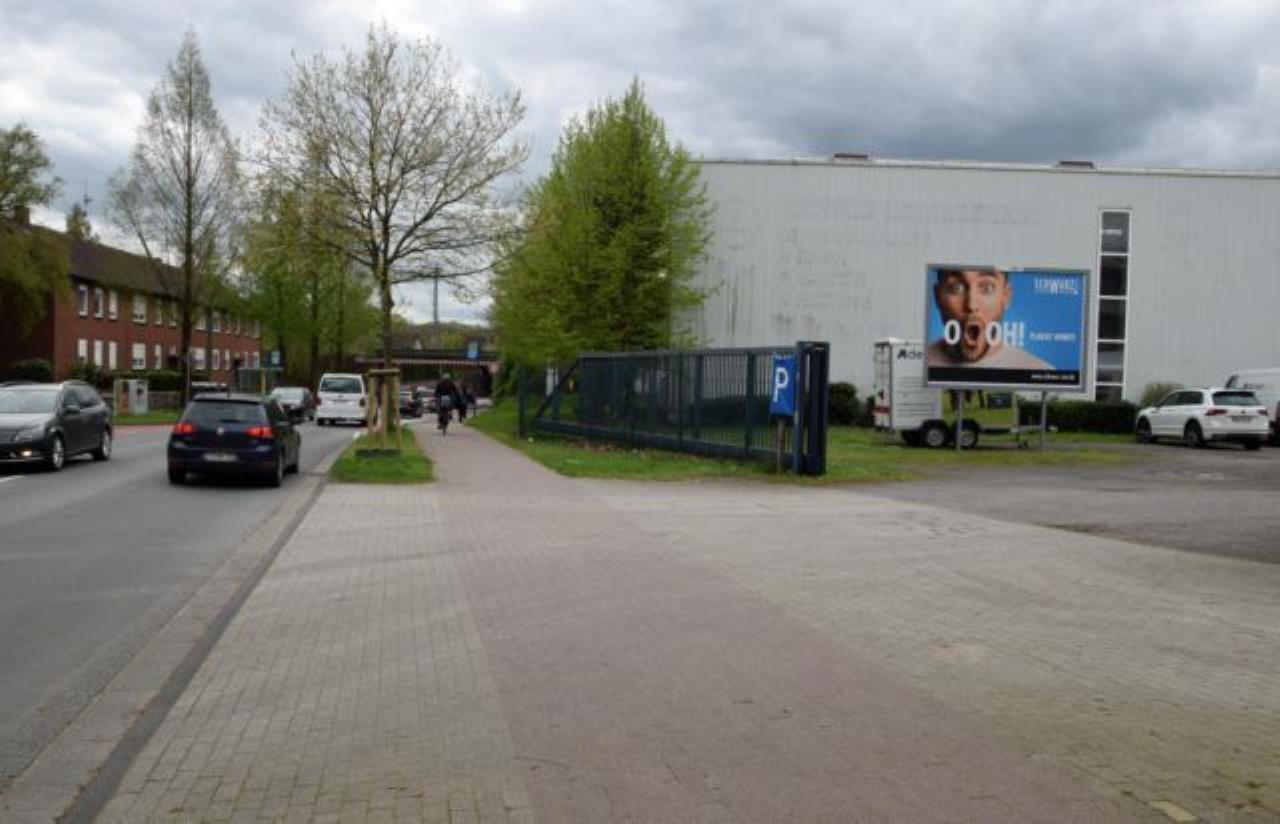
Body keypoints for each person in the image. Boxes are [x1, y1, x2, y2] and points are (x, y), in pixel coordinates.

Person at [925, 267, 1053, 369]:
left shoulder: (1040, 370)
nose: (971, 305)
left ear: (1006, 296)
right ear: (937, 297)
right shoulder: (920, 365)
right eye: (956, 288)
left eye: (987, 288)